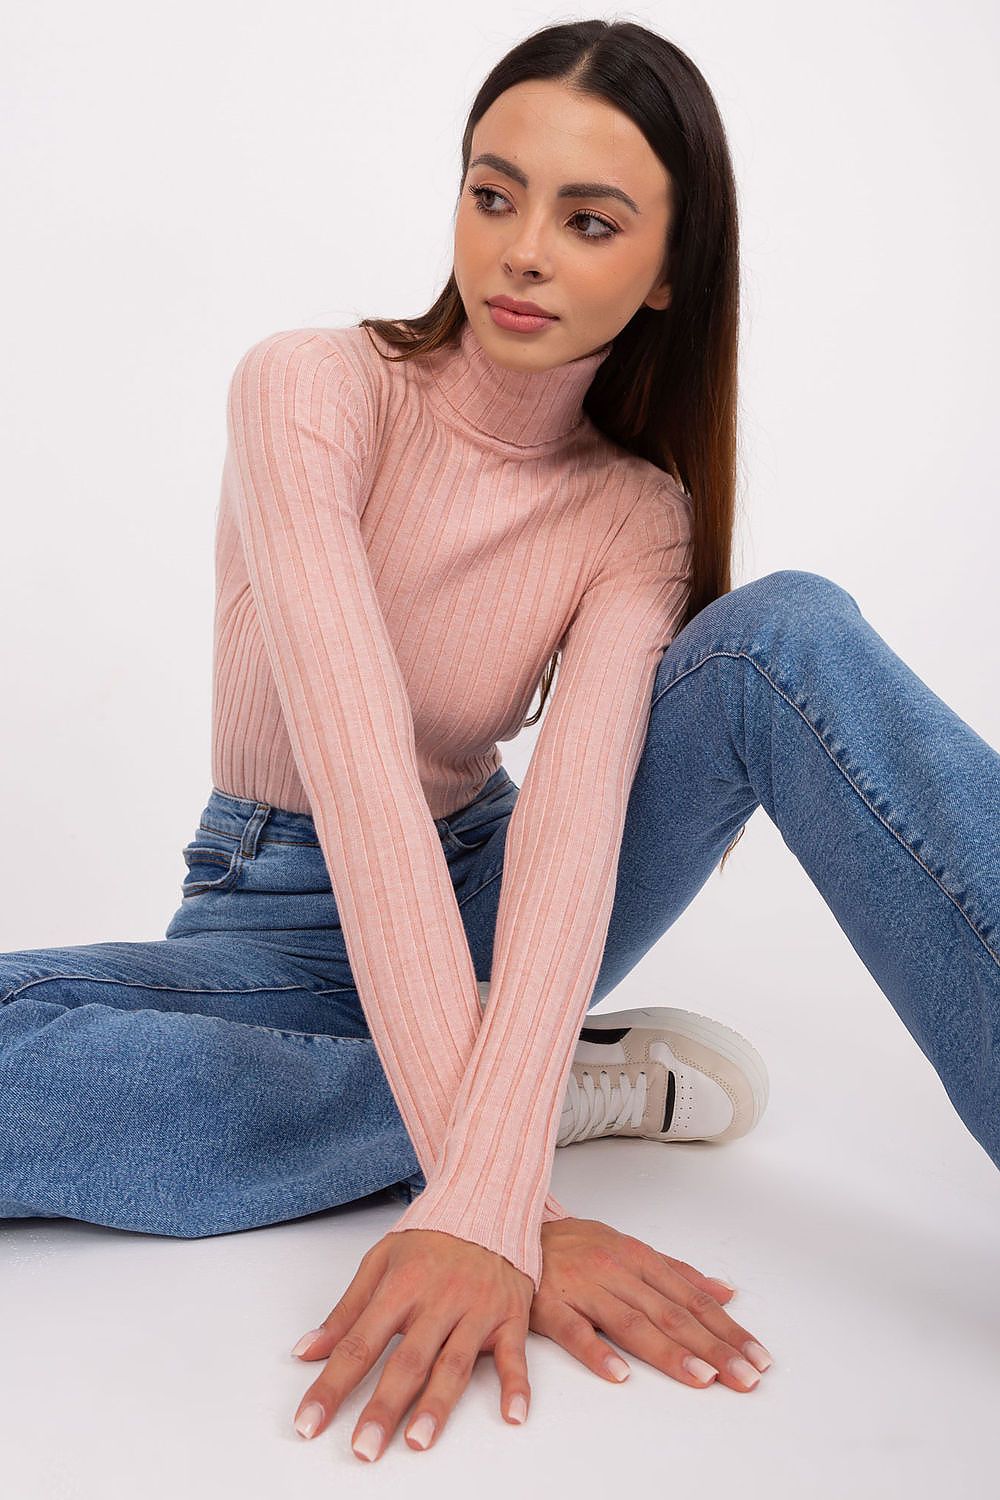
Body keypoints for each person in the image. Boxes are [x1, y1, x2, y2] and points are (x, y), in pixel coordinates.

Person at [2, 16, 998, 1466]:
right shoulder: (311, 387)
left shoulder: (634, 513)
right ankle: (529, 1092)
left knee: (783, 638)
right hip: (274, 922)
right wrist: (500, 1194)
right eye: (494, 194)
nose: (523, 252)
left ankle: (476, 1090)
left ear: (669, 272)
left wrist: (479, 1206)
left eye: (589, 221)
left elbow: (573, 837)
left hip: (503, 892)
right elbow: (355, 781)